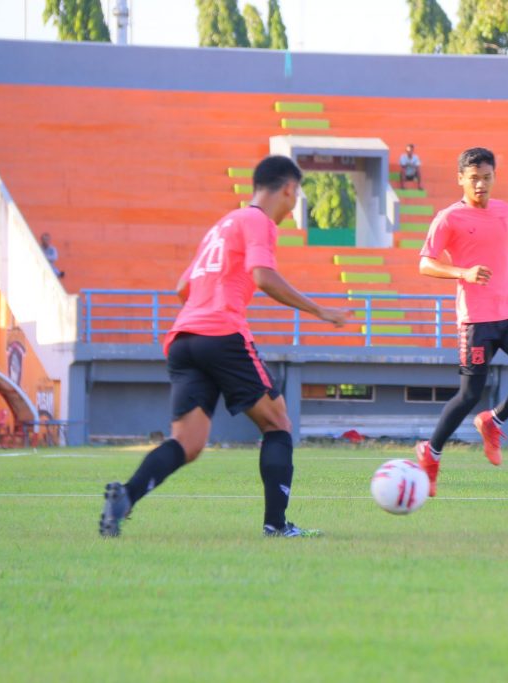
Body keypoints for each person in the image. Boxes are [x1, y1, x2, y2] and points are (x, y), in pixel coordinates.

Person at [99, 155, 348, 538]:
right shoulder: (258, 222)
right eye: (296, 194)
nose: (293, 203)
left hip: (184, 339)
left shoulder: (222, 225)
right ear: (287, 188)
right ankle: (277, 525)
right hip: (221, 333)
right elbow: (263, 277)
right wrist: (319, 310)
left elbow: (182, 287)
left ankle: (127, 497)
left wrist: (204, 315)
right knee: (278, 423)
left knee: (188, 443)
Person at [414, 147, 508, 496]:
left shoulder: (504, 211)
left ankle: (494, 420)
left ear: (494, 178)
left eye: (486, 178)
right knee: (469, 393)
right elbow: (425, 263)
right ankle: (430, 454)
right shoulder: (448, 218)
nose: (480, 185)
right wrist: (464, 272)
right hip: (476, 320)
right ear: (460, 178)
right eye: (473, 178)